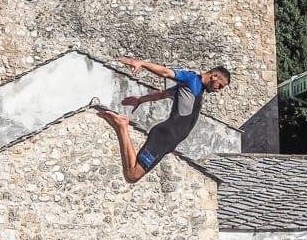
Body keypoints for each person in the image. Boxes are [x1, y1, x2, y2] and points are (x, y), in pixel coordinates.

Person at [96, 57, 230, 183]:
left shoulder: (194, 89)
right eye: (220, 86)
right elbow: (166, 72)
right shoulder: (191, 79)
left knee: (132, 175)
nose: (218, 90)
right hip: (164, 136)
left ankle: (121, 126)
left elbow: (163, 94)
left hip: (169, 141)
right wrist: (142, 64)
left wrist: (140, 99)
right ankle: (121, 126)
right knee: (132, 175)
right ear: (214, 76)